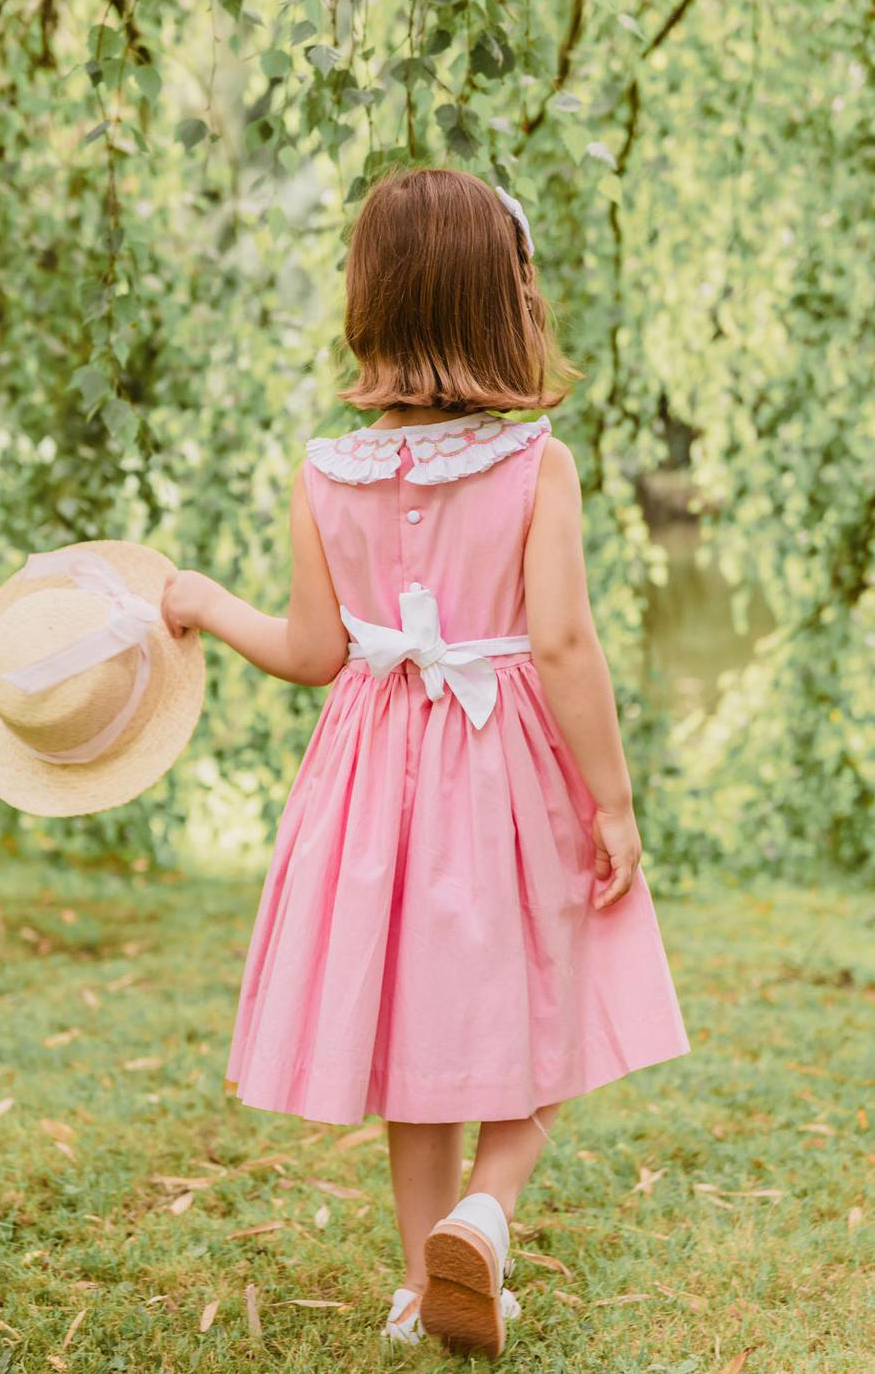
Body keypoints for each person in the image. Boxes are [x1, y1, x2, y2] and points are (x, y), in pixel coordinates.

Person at [160, 167, 690, 1360]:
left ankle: (418, 1287)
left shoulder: (325, 471)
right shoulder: (530, 465)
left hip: (374, 781)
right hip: (500, 769)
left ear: (373, 300)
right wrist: (611, 800)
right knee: (550, 988)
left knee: (414, 1039)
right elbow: (559, 641)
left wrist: (203, 600)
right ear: (499, 302)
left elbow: (310, 649)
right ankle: (485, 1215)